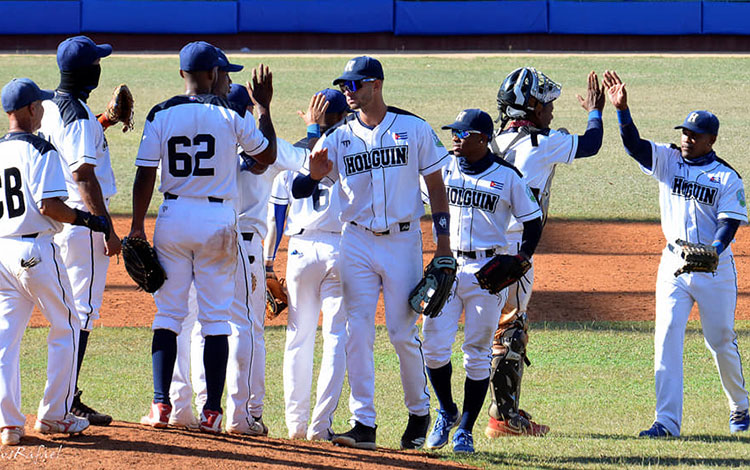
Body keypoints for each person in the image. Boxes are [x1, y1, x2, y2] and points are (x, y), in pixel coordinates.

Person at [294, 55, 453, 450]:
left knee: (401, 333)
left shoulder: (414, 128)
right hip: (357, 242)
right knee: (356, 332)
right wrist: (313, 174)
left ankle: (419, 415)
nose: (348, 92)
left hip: (402, 241)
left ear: (376, 84)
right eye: (345, 86)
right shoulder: (338, 137)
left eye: (355, 85)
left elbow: (436, 187)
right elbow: (301, 187)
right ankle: (363, 422)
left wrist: (444, 245)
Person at [130, 41, 276, 434]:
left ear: (183, 75)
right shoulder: (230, 114)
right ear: (212, 75)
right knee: (214, 321)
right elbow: (266, 156)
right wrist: (262, 108)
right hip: (216, 221)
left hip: (173, 216)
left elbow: (145, 173)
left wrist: (136, 225)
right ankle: (212, 412)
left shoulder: (160, 112)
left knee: (168, 315)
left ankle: (161, 406)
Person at [603, 70, 749, 437]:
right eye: (683, 132)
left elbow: (729, 222)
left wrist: (713, 250)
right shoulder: (669, 160)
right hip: (673, 264)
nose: (686, 138)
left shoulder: (726, 178)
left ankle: (741, 407)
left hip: (714, 270)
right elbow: (635, 145)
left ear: (711, 140)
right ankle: (666, 423)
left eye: (694, 135)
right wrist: (622, 110)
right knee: (666, 336)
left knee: (720, 340)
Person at [484, 67, 605, 438]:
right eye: (547, 103)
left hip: (479, 246)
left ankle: (490, 413)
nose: (552, 109)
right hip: (516, 251)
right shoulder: (542, 143)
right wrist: (595, 111)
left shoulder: (488, 143)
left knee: (484, 330)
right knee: (509, 332)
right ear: (531, 106)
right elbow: (592, 144)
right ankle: (504, 420)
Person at [421, 109, 543, 453]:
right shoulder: (442, 167)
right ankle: (446, 412)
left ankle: (465, 430)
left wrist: (521, 258)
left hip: (487, 274)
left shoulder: (508, 177)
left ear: (483, 139)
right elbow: (418, 197)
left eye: (463, 133)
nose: (456, 138)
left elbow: (533, 221)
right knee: (432, 346)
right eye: (454, 132)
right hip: (447, 266)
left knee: (476, 353)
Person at [0, 78, 112, 445]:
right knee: (67, 324)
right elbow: (50, 206)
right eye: (40, 105)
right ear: (32, 109)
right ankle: (54, 415)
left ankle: (9, 424)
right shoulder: (41, 150)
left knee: (5, 339)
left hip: (2, 251)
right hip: (36, 251)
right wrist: (89, 220)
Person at [38, 35, 121, 426]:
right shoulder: (79, 117)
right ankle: (65, 401)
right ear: (91, 72)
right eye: (97, 62)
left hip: (55, 224)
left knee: (67, 313)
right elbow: (83, 173)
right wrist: (105, 226)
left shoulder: (50, 107)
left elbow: (66, 149)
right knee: (82, 313)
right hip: (82, 227)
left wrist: (106, 120)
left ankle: (66, 395)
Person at [265, 89, 349, 441]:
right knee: (335, 339)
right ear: (344, 118)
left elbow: (277, 218)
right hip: (341, 249)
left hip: (300, 251)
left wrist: (268, 264)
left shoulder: (294, 155)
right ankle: (320, 427)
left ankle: (296, 426)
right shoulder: (352, 151)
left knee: (297, 339)